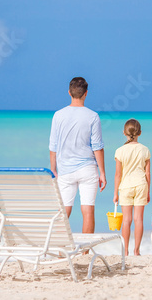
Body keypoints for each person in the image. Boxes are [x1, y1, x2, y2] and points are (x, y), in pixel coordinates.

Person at [49, 77, 106, 234]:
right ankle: (85, 254)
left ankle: (61, 251)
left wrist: (53, 169)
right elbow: (98, 147)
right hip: (88, 169)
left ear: (69, 92)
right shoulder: (92, 116)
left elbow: (53, 146)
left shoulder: (58, 115)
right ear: (86, 94)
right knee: (87, 210)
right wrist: (102, 172)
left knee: (64, 212)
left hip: (65, 170)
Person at [113, 119, 151, 256]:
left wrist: (115, 193)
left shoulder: (120, 151)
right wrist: (148, 191)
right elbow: (147, 173)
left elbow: (118, 174)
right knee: (138, 219)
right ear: (140, 133)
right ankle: (137, 250)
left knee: (127, 220)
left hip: (125, 186)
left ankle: (126, 251)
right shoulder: (145, 150)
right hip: (141, 185)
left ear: (124, 133)